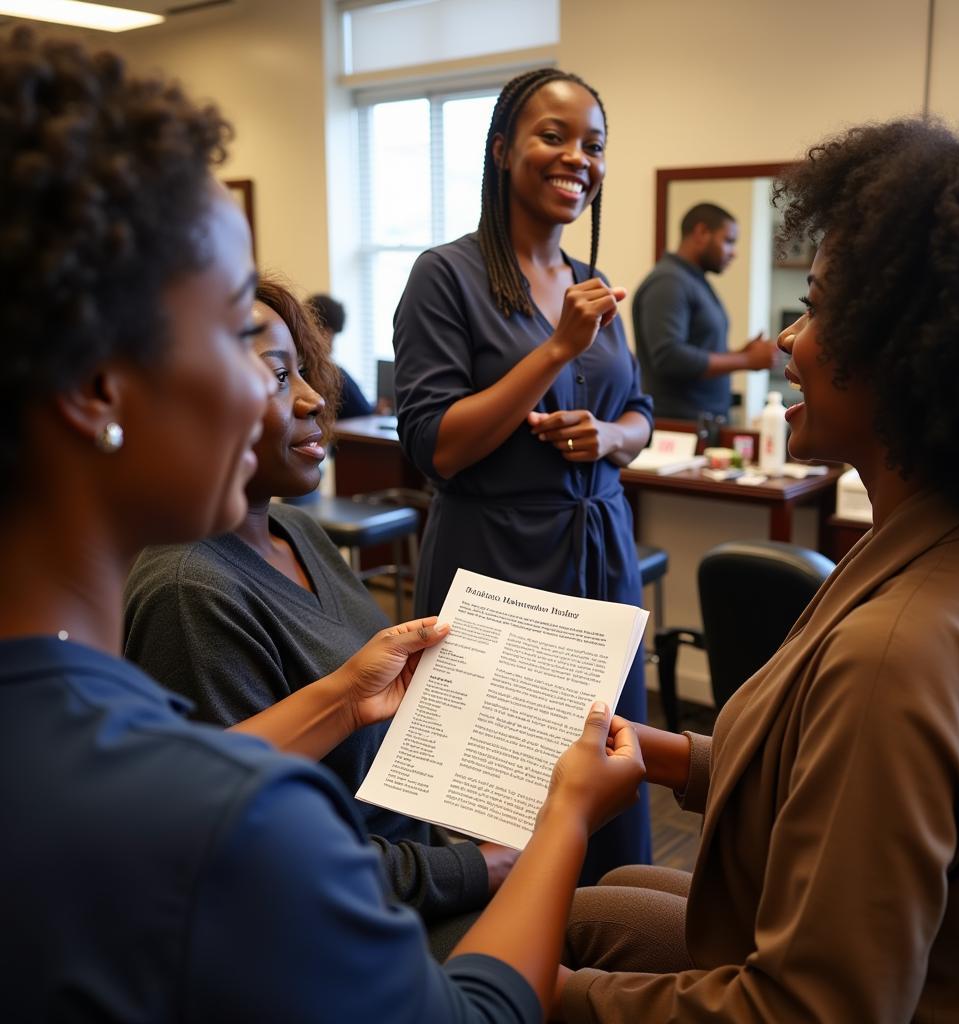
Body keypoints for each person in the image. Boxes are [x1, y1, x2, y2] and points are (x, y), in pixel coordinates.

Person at [0, 28, 645, 1022]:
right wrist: (559, 820)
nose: (296, 396)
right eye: (238, 332)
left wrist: (341, 698)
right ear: (97, 386)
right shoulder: (237, 821)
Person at [556, 116, 959, 1022]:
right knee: (604, 900)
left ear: (900, 351)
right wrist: (660, 752)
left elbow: (812, 1009)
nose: (786, 339)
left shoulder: (897, 655)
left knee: (531, 946)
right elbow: (819, 755)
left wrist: (525, 995)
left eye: (813, 308)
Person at [123, 274, 516, 957]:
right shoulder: (191, 592)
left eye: (305, 373)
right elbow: (264, 857)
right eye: (278, 378)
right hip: (347, 928)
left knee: (633, 900)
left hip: (414, 869)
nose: (313, 400)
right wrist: (477, 866)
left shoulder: (295, 531)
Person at [392, 68, 654, 886]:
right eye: (554, 135)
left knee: (605, 773)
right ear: (503, 149)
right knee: (499, 797)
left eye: (595, 144)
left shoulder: (593, 285)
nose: (578, 157)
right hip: (496, 558)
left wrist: (609, 434)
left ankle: (599, 966)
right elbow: (434, 446)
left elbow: (642, 414)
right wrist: (555, 353)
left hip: (600, 556)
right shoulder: (447, 276)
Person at [632, 202, 776, 422]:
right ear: (701, 233)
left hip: (702, 423)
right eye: (728, 241)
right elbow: (669, 356)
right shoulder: (669, 282)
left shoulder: (692, 280)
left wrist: (737, 353)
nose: (734, 252)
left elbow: (696, 349)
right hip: (678, 427)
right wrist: (746, 360)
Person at [306, 291, 375, 419]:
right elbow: (363, 410)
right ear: (324, 332)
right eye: (332, 335)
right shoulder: (329, 374)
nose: (332, 344)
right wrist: (375, 410)